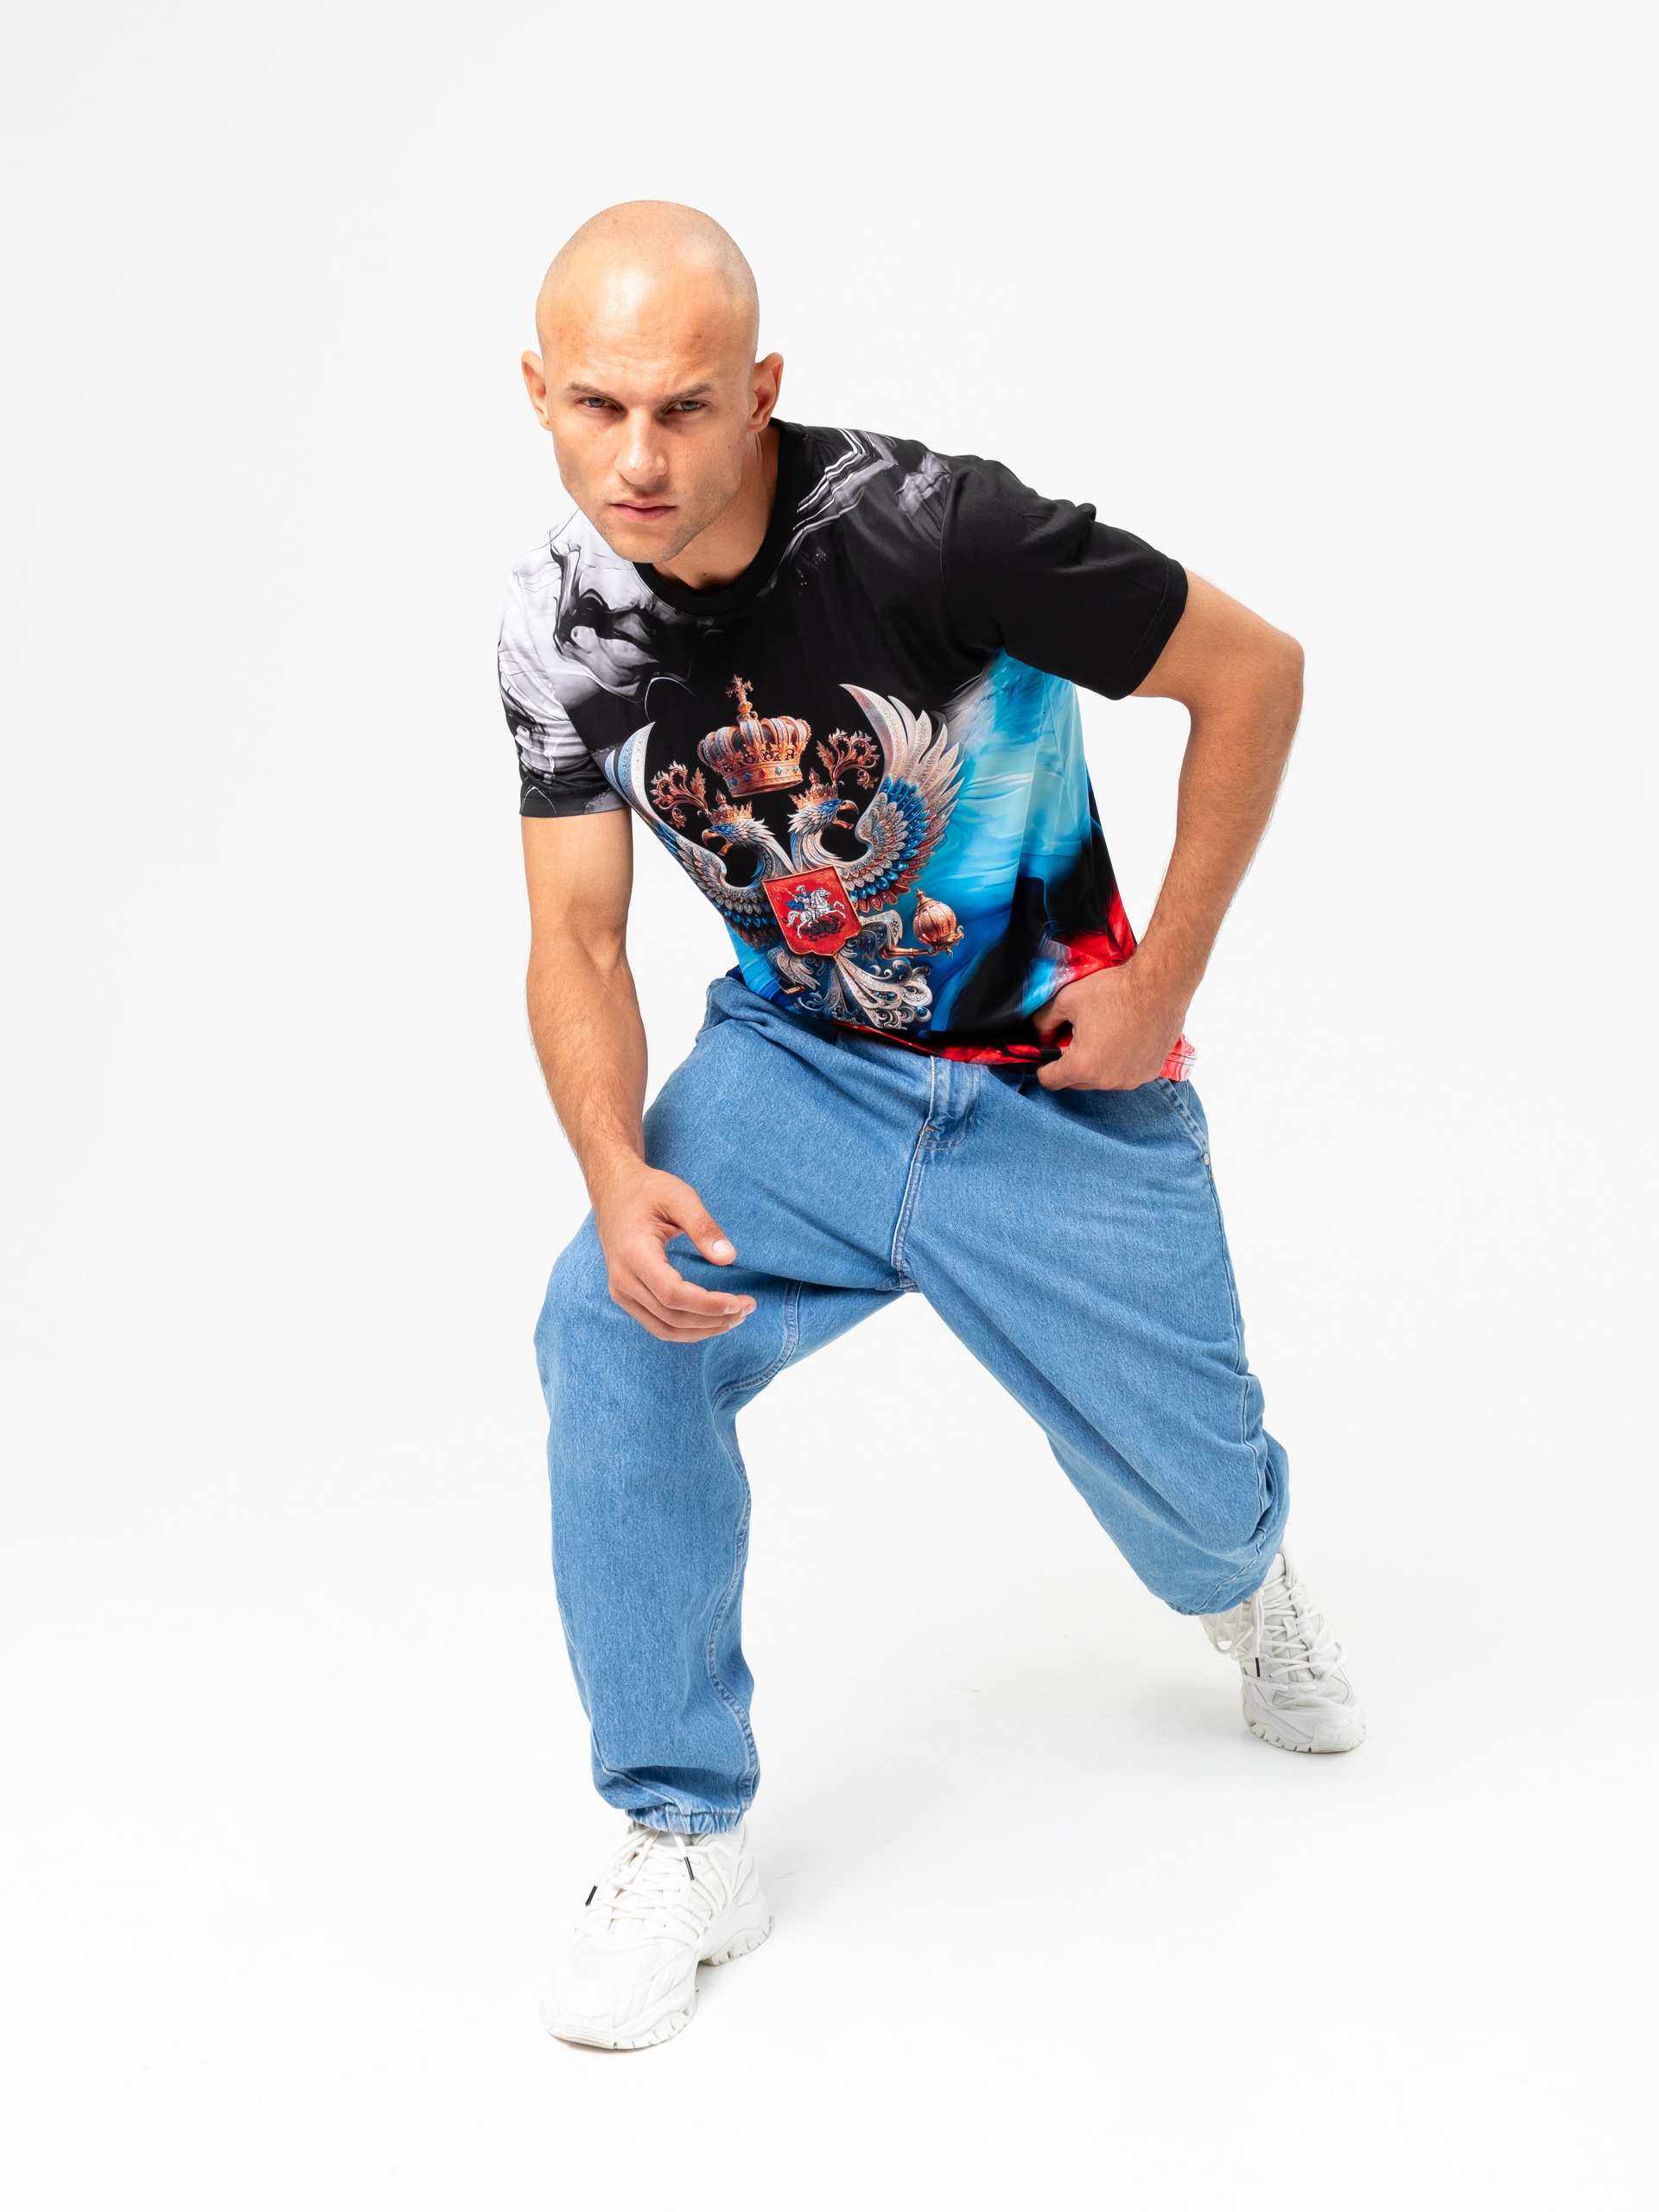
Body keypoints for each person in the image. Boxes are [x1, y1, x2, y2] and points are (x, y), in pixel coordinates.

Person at [502, 200, 1364, 2052]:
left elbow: (1256, 672)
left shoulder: (940, 529)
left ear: (762, 392)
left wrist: (1158, 983)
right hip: (796, 1076)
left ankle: (1248, 1582)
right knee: (606, 1320)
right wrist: (614, 1166)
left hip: (1050, 1079)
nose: (639, 458)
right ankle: (682, 1829)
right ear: (538, 395)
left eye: (684, 407)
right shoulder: (560, 621)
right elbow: (575, 934)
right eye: (597, 408)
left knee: (1200, 1515)